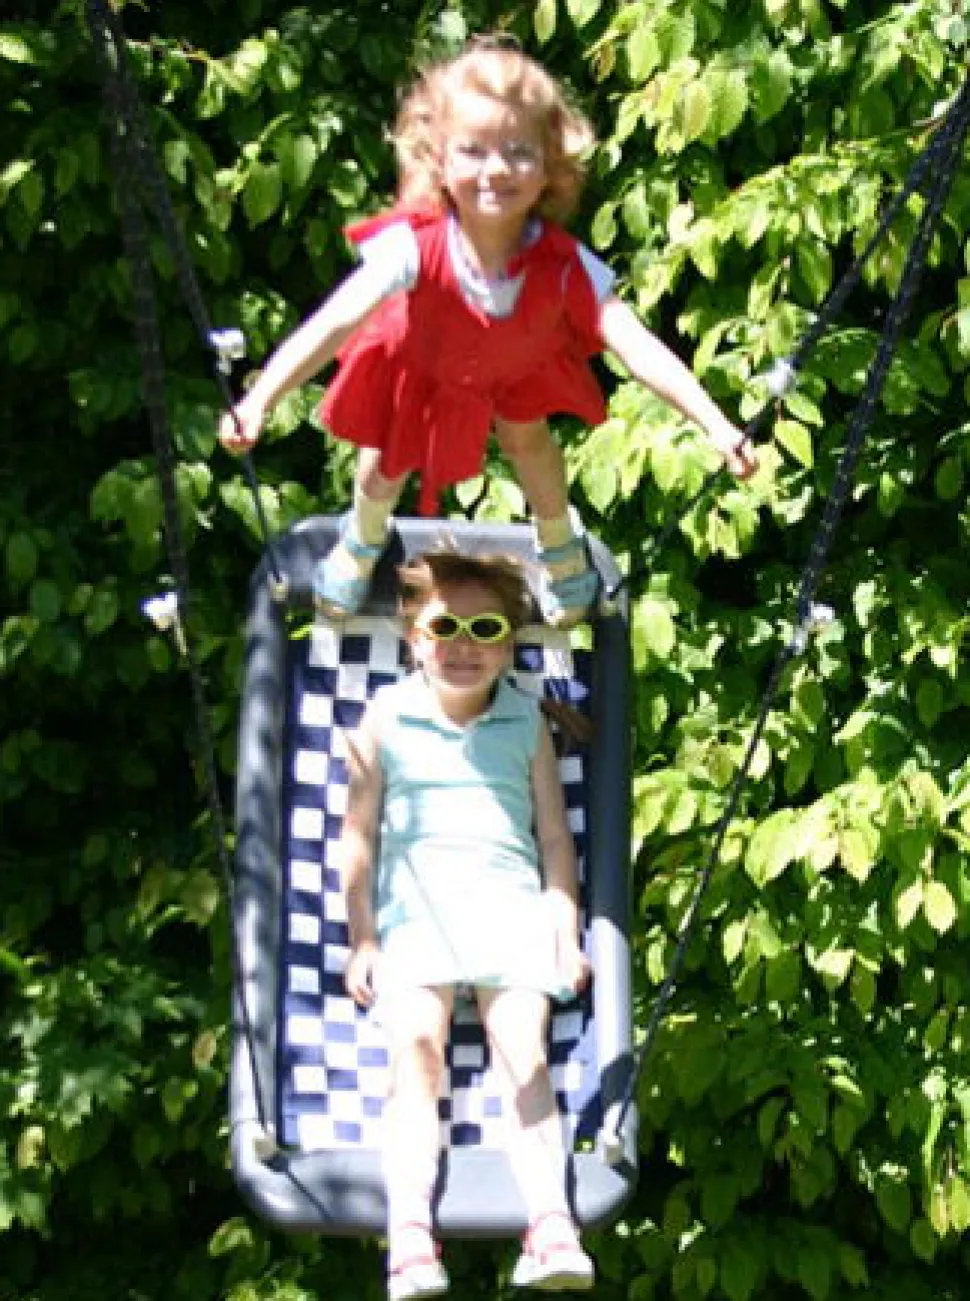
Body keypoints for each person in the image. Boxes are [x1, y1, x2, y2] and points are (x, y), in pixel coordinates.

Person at [219, 36, 757, 627]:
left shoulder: (563, 265)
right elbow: (334, 322)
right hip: (423, 359)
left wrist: (716, 425)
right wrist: (261, 399)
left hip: (513, 367)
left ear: (551, 164)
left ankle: (559, 545)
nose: (495, 170)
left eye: (519, 152)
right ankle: (362, 538)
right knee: (390, 454)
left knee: (531, 443)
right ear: (439, 159)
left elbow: (637, 346)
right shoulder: (413, 246)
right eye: (473, 151)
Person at [339, 549, 595, 1298]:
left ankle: (550, 1226)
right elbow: (357, 837)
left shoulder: (526, 721)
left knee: (524, 1053)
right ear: (413, 638)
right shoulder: (384, 716)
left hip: (509, 913)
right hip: (415, 920)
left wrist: (564, 928)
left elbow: (555, 838)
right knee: (416, 1052)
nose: (463, 645)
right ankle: (410, 1239)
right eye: (444, 627)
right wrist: (362, 937)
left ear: (509, 645)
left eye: (485, 629)